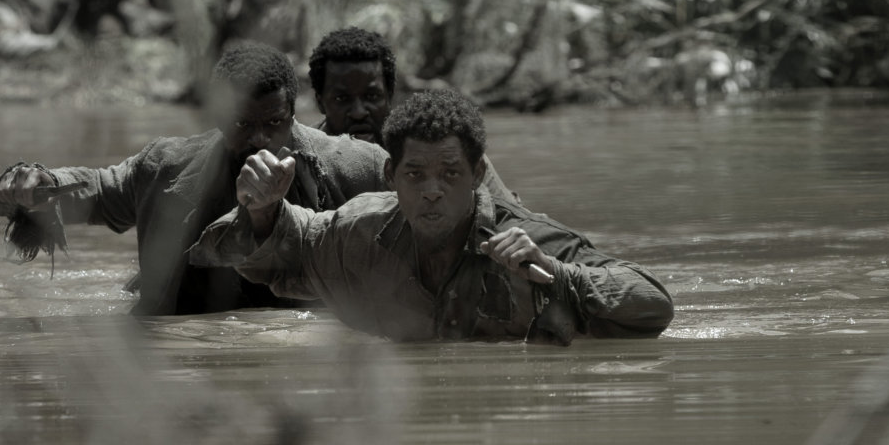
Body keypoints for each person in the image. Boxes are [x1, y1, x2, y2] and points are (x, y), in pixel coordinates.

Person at [189, 88, 671, 343]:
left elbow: (654, 302)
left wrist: (562, 278)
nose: (433, 192)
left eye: (450, 174)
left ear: (478, 174)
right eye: (415, 174)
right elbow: (282, 251)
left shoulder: (525, 239)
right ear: (391, 173)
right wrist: (261, 208)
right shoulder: (359, 232)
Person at [0, 43, 386, 317]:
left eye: (274, 124)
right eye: (241, 124)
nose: (259, 139)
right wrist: (38, 182)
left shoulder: (356, 167)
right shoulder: (166, 166)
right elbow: (96, 187)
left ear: (293, 114)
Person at [307, 24, 517, 202]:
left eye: (371, 97)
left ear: (389, 96)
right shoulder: (303, 160)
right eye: (342, 99)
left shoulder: (445, 145)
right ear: (320, 103)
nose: (359, 112)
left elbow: (514, 218)